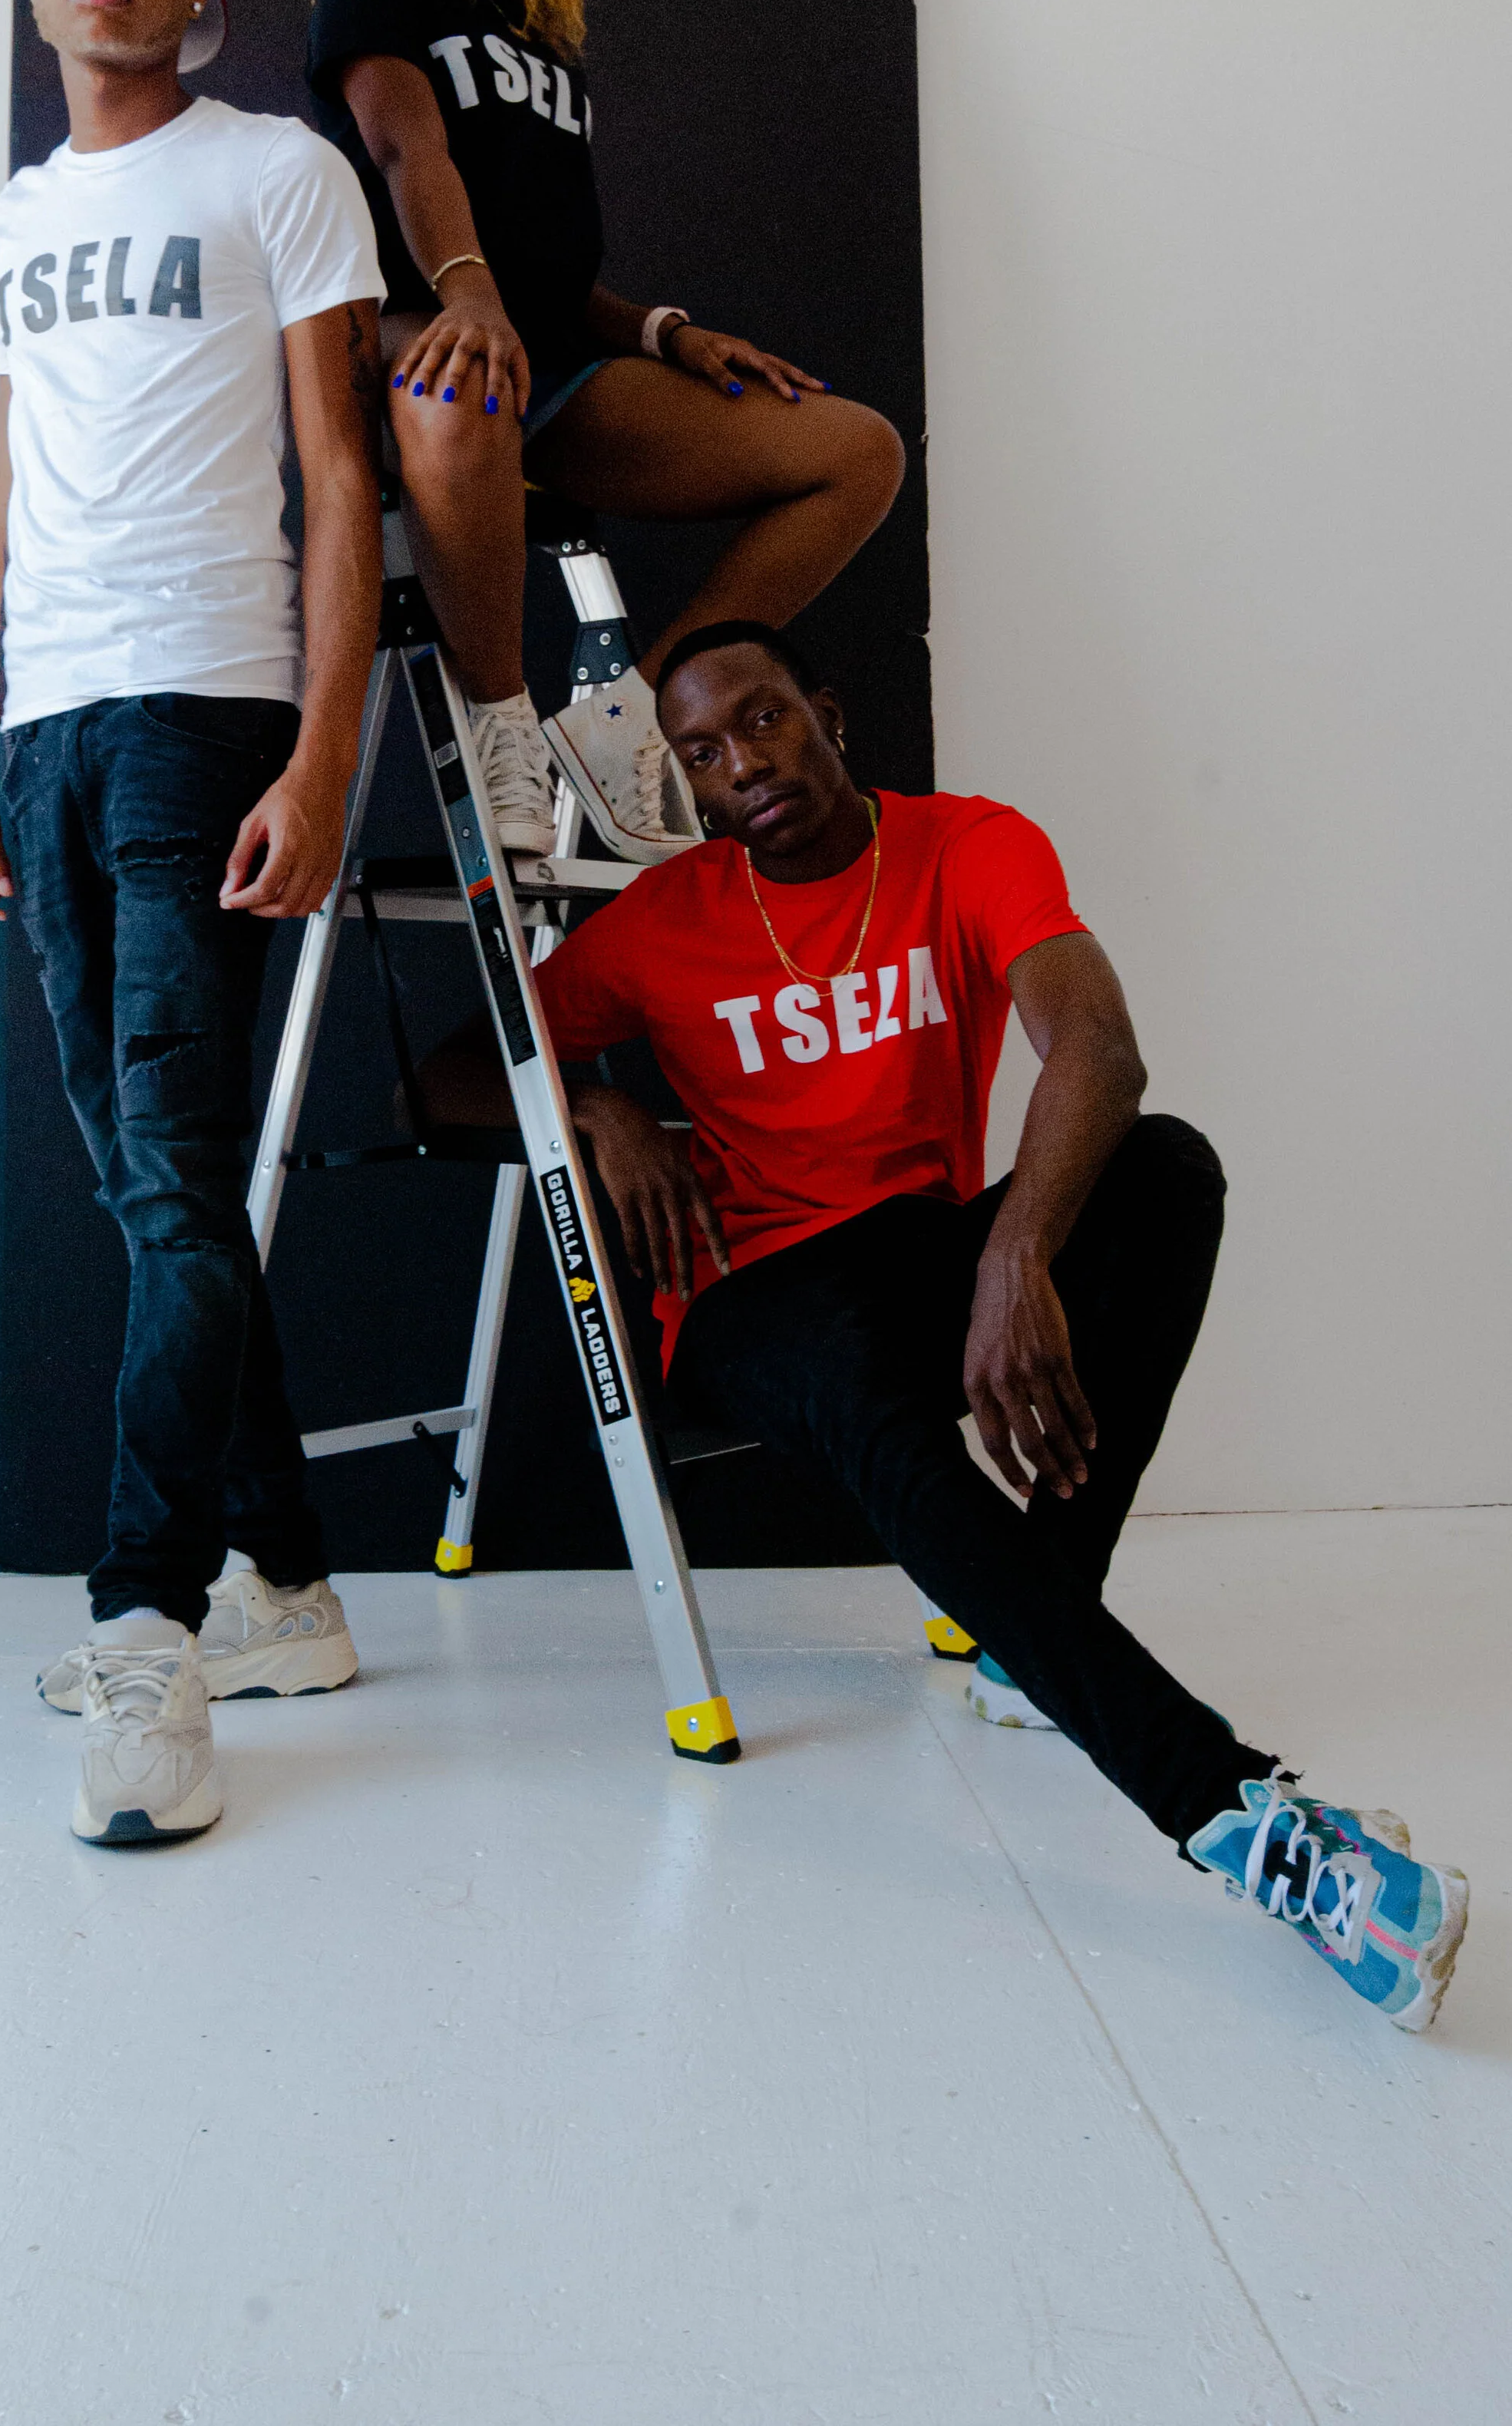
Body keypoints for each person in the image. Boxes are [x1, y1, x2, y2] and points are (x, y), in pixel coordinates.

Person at [417, 625, 1470, 2031]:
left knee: (1166, 1170)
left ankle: (1038, 1625)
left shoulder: (968, 844)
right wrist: (598, 1105)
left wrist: (1014, 1254)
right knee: (856, 1378)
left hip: (922, 1256)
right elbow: (444, 1078)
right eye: (704, 755)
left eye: (765, 719)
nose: (745, 765)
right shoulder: (667, 922)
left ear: (828, 715)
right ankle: (1241, 1823)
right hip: (746, 1301)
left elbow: (1099, 1045)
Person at [0, 0, 385, 1848]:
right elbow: (7, 508)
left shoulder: (276, 173)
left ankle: (149, 1617)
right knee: (151, 1195)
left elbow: (341, 476)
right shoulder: (12, 221)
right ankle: (281, 1581)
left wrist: (323, 756)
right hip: (47, 735)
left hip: (206, 722)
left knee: (177, 1191)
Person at [305, 0, 907, 866]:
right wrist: (467, 296)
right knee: (459, 375)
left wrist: (663, 332)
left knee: (856, 450)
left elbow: (548, 269)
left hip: (538, 361)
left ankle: (626, 722)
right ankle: (503, 721)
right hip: (400, 341)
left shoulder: (540, 32)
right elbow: (406, 154)